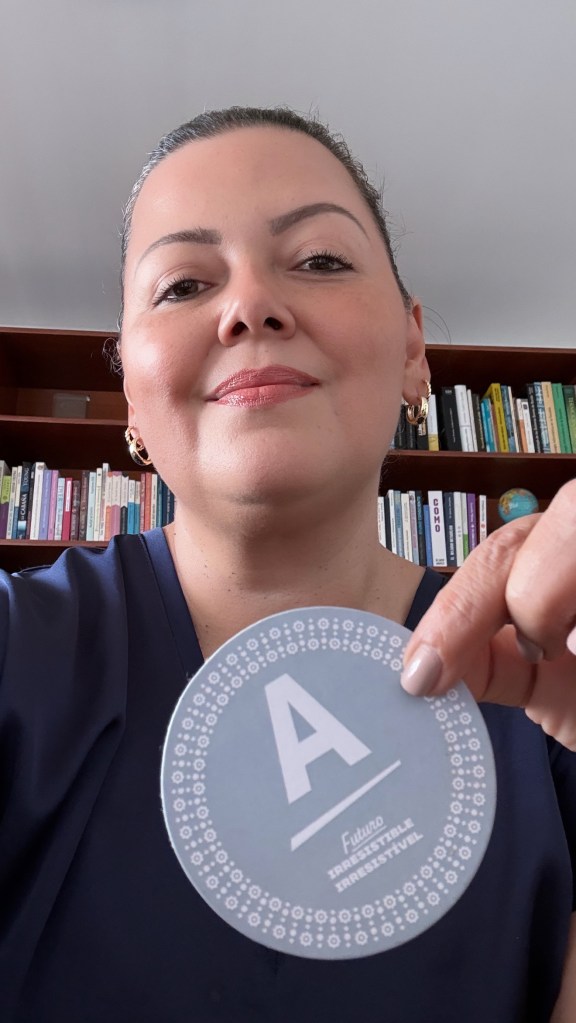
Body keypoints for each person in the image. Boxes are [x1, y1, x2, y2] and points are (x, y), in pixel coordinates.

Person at [0, 105, 575, 1023]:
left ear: (414, 349)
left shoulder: (549, 681)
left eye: (320, 261)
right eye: (183, 284)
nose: (250, 307)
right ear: (130, 400)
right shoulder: (17, 652)